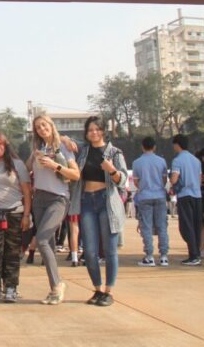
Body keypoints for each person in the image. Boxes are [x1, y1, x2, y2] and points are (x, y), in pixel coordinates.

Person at [26, 115, 80, 305]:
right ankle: (55, 287)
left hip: (58, 199)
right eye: (38, 127)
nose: (42, 129)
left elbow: (75, 174)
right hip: (39, 198)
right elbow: (25, 172)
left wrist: (55, 165)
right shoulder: (37, 150)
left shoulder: (64, 146)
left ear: (51, 126)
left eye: (44, 125)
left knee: (41, 239)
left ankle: (57, 285)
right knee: (46, 243)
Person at [76, 116, 127, 307]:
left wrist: (112, 170)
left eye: (97, 129)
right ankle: (97, 289)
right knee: (89, 251)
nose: (94, 133)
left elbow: (123, 180)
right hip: (87, 201)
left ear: (103, 131)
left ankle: (108, 291)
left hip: (107, 201)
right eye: (90, 130)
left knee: (109, 250)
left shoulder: (114, 152)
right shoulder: (83, 152)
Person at [0, 131, 31, 303]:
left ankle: (11, 288)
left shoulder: (17, 165)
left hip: (15, 214)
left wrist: (26, 215)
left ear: (6, 144)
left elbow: (26, 192)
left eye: (0, 144)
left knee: (12, 254)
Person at [131, 137, 170, 267]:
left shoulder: (137, 162)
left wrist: (143, 187)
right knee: (162, 226)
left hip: (144, 196)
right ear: (154, 147)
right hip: (159, 195)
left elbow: (136, 182)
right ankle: (164, 256)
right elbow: (165, 180)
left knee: (146, 227)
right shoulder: (162, 161)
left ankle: (149, 256)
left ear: (142, 147)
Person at [169, 134, 203, 266]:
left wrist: (171, 181)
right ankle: (196, 253)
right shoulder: (196, 160)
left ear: (177, 145)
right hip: (197, 195)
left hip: (184, 195)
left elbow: (174, 179)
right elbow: (199, 179)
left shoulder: (177, 160)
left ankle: (193, 255)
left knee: (186, 225)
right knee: (196, 225)